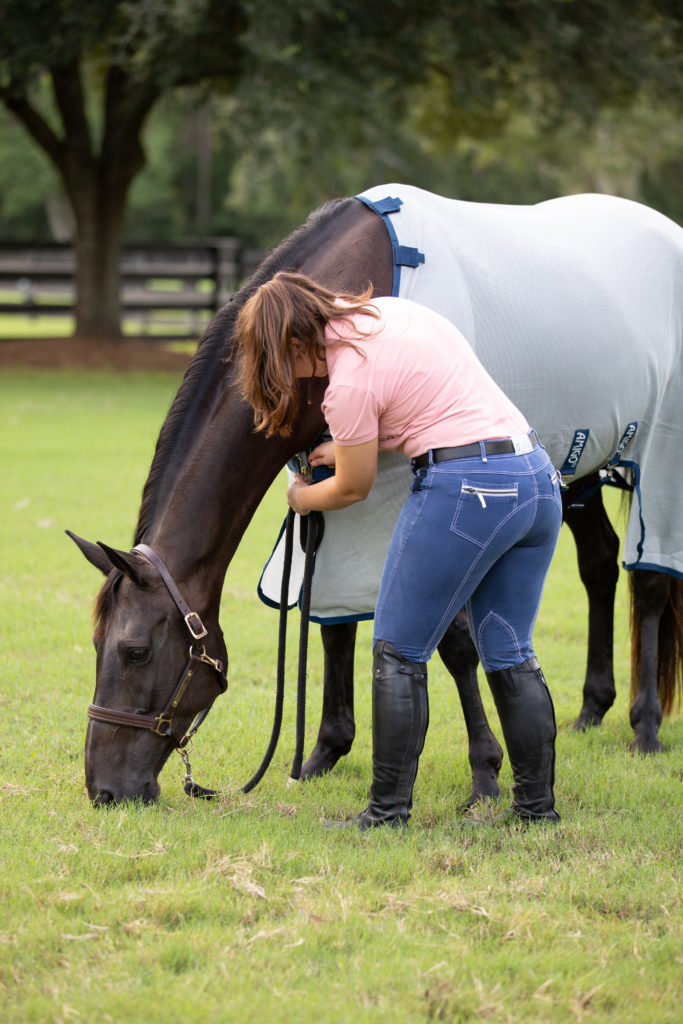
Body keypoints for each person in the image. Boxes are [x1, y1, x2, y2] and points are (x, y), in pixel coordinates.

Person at [236, 271, 562, 828]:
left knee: (398, 651)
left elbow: (353, 488)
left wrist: (300, 496)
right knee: (509, 650)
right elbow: (417, 401)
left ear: (295, 342)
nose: (287, 375)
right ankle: (535, 810)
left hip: (467, 485)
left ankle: (386, 815)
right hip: (534, 479)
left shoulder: (347, 384)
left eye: (279, 362)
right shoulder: (388, 315)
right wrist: (345, 448)